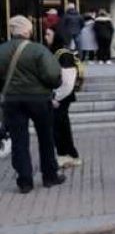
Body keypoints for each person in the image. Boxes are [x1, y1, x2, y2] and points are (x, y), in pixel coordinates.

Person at [0, 15, 64, 194]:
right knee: (46, 137)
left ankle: (24, 180)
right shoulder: (38, 50)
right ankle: (50, 175)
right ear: (28, 30)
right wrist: (54, 85)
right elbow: (52, 75)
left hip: (12, 100)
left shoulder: (2, 50)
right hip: (39, 99)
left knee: (19, 140)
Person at [45, 27, 81, 169]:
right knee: (61, 126)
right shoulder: (55, 52)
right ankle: (69, 155)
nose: (46, 36)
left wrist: (56, 97)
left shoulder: (63, 54)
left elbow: (67, 80)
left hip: (61, 96)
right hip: (59, 96)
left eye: (49, 34)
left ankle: (66, 155)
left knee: (59, 127)